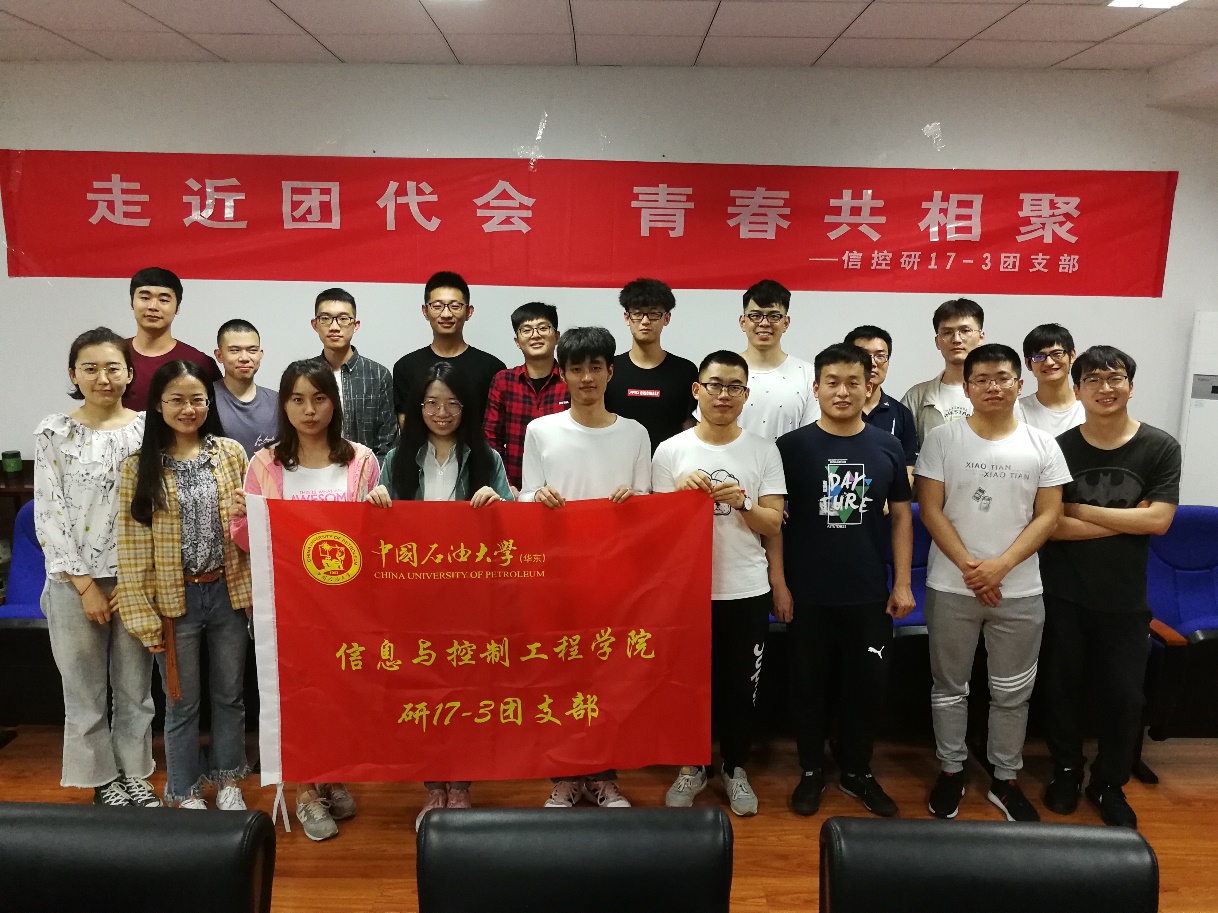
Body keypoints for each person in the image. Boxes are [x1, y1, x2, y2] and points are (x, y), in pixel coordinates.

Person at [915, 343, 1070, 823]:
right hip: (951, 586)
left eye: (1002, 378)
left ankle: (1005, 777)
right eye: (981, 379)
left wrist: (1000, 567)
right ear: (967, 388)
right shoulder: (942, 439)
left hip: (1019, 591)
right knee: (949, 687)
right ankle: (951, 769)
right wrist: (973, 569)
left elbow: (1049, 516)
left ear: (1019, 384)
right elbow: (931, 510)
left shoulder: (1043, 444)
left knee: (1011, 692)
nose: (992, 387)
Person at [228, 359, 379, 840]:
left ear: (334, 403)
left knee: (338, 695)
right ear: (284, 405)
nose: (309, 410)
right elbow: (244, 537)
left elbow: (374, 537)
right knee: (295, 696)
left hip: (345, 605)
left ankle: (330, 774)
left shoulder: (361, 460)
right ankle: (305, 790)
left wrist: (381, 510)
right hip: (285, 605)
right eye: (297, 399)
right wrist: (243, 516)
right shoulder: (265, 463)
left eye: (319, 398)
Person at [367, 361, 512, 832]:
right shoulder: (396, 459)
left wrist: (499, 505)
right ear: (418, 406)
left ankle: (462, 786)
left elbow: (513, 527)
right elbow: (375, 531)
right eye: (432, 402)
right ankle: (434, 786)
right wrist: (376, 503)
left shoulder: (487, 459)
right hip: (415, 601)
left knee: (467, 694)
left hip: (471, 599)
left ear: (466, 408)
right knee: (424, 694)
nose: (442, 412)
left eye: (452, 403)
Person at [1039, 346, 1180, 831]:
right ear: (1077, 390)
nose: (1105, 388)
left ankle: (1108, 782)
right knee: (1061, 691)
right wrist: (1127, 519)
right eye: (1093, 380)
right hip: (1063, 593)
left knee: (1124, 697)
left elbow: (1159, 521)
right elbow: (1051, 527)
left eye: (1115, 378)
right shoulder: (1058, 448)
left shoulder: (1159, 447)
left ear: (1130, 386)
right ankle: (1065, 770)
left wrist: (1081, 510)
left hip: (1124, 600)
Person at [778, 344, 916, 819]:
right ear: (816, 387)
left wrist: (902, 583)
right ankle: (811, 770)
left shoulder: (887, 446)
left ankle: (857, 771)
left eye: (853, 382)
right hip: (807, 593)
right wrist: (780, 585)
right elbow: (774, 520)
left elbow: (902, 517)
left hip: (867, 592)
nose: (842, 391)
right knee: (807, 686)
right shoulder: (790, 447)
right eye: (832, 382)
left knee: (866, 686)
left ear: (868, 386)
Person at [520, 326, 651, 809]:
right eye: (576, 369)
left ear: (610, 371)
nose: (587, 377)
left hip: (616, 579)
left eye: (596, 367)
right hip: (557, 577)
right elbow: (524, 494)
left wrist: (635, 501)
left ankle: (604, 777)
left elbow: (649, 505)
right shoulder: (542, 430)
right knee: (560, 678)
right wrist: (539, 497)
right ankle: (564, 777)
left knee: (609, 680)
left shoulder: (635, 433)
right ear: (563, 374)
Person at [652, 351, 786, 817]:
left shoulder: (764, 450)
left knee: (740, 688)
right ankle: (691, 766)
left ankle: (734, 767)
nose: (723, 395)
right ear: (697, 390)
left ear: (746, 395)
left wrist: (744, 502)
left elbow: (773, 523)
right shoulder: (670, 451)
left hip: (744, 588)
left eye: (734, 387)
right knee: (686, 685)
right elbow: (656, 532)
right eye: (714, 385)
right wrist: (678, 499)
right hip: (686, 592)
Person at [115, 361, 252, 810]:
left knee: (230, 696)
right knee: (181, 702)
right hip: (176, 601)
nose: (188, 409)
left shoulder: (230, 454)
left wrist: (248, 512)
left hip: (229, 592)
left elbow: (249, 528)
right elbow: (132, 548)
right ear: (158, 405)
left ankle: (229, 781)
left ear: (209, 403)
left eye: (197, 400)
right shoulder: (139, 467)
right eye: (176, 400)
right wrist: (143, 617)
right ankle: (185, 789)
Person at [33, 328, 158, 808]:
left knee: (135, 689)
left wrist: (137, 579)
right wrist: (85, 585)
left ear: (129, 373)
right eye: (90, 368)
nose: (103, 378)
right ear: (73, 374)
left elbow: (157, 508)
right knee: (83, 690)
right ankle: (102, 779)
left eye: (113, 368)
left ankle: (135, 773)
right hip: (73, 581)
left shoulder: (149, 430)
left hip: (135, 580)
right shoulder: (53, 432)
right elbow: (49, 513)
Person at [393, 271, 506, 428]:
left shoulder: (493, 368)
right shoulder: (406, 367)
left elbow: (495, 428)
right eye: (437, 306)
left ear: (469, 312)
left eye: (455, 306)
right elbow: (407, 426)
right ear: (425, 311)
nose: (446, 314)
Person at [604, 278, 697, 452]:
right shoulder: (609, 370)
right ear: (627, 318)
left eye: (654, 314)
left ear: (666, 318)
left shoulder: (685, 371)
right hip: (618, 463)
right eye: (637, 313)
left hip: (669, 465)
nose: (645, 321)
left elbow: (690, 427)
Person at [483, 302, 569, 491]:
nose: (535, 335)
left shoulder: (571, 380)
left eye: (543, 328)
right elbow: (491, 439)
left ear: (556, 336)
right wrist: (505, 485)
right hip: (515, 490)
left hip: (564, 489)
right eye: (526, 330)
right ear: (517, 341)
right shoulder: (503, 381)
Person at [312, 287, 398, 462]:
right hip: (314, 472)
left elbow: (387, 444)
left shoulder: (378, 375)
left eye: (343, 319)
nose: (334, 327)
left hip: (366, 474)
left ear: (355, 325)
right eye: (325, 318)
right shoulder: (305, 375)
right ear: (315, 324)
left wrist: (372, 477)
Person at [123, 266, 221, 410]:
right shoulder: (113, 355)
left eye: (163, 300)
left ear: (177, 308)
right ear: (132, 302)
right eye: (145, 298)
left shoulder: (200, 363)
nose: (153, 306)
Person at [735, 279, 819, 441]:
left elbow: (811, 438)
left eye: (774, 316)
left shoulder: (808, 375)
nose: (764, 323)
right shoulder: (722, 371)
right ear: (743, 322)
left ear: (786, 323)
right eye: (755, 316)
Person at [901, 298, 986, 449]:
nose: (957, 339)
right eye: (947, 332)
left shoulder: (998, 393)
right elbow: (906, 454)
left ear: (981, 337)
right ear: (937, 341)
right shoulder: (916, 397)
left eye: (965, 331)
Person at [844, 325, 918, 475]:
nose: (872, 363)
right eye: (863, 355)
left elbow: (908, 464)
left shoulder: (901, 414)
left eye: (880, 356)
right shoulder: (834, 407)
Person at [212, 319, 277, 458]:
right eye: (234, 350)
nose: (244, 358)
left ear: (261, 354)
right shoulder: (205, 399)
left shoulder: (278, 401)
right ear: (219, 355)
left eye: (252, 350)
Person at [1019, 323, 1085, 436]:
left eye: (1057, 354)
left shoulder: (1089, 406)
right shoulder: (1017, 412)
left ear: (1072, 355)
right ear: (1028, 363)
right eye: (1039, 356)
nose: (1049, 362)